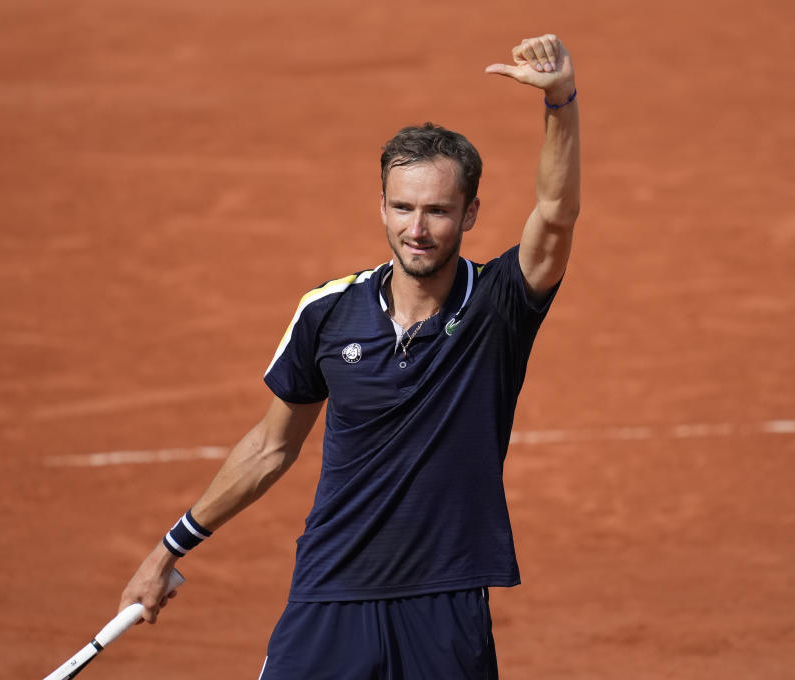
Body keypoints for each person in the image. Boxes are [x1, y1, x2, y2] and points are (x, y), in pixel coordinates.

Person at [120, 32, 580, 679]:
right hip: (330, 591)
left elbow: (557, 214)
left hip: (442, 600)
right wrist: (168, 550)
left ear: (471, 213)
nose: (416, 229)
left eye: (437, 211)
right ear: (381, 207)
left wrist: (560, 102)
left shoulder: (497, 304)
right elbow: (272, 447)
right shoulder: (328, 312)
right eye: (402, 208)